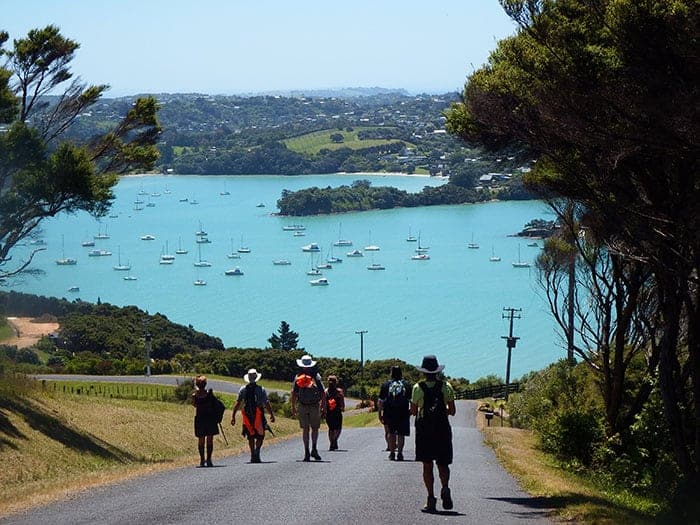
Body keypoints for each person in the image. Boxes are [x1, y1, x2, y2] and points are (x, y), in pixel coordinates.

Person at [410, 355, 456, 513]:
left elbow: (414, 411)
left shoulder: (417, 388)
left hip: (424, 430)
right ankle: (445, 487)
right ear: (437, 371)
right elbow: (453, 411)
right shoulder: (446, 386)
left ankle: (430, 498)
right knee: (443, 463)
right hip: (442, 428)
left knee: (427, 464)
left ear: (423, 371)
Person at [231, 368, 276, 463]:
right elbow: (266, 403)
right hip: (259, 415)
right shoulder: (261, 389)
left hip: (247, 415)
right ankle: (257, 452)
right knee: (260, 435)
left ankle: (252, 454)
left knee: (250, 435)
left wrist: (233, 416)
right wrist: (271, 414)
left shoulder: (243, 389)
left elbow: (238, 403)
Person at [290, 354, 326, 461]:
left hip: (303, 405)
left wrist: (293, 406)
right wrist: (323, 405)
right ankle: (312, 449)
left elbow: (294, 393)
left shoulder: (298, 376)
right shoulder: (316, 376)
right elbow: (322, 392)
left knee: (307, 429)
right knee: (313, 428)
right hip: (313, 405)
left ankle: (308, 451)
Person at [378, 365, 411, 461]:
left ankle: (392, 453)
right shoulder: (406, 384)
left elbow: (380, 401)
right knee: (401, 434)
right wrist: (410, 411)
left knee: (391, 433)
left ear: (391, 373)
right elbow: (411, 400)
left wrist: (380, 413)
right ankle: (400, 453)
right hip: (403, 412)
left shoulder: (386, 385)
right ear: (401, 373)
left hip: (389, 412)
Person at [191, 374, 219, 467]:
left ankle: (202, 460)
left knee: (201, 440)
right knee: (210, 440)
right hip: (210, 418)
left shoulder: (194, 395)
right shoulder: (209, 393)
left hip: (200, 418)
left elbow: (194, 405)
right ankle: (209, 459)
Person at [324, 375, 345, 450]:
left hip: (329, 412)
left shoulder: (325, 391)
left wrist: (323, 410)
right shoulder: (339, 391)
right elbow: (342, 401)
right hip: (337, 412)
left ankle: (332, 442)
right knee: (338, 428)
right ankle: (334, 440)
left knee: (331, 429)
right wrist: (343, 407)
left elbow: (323, 402)